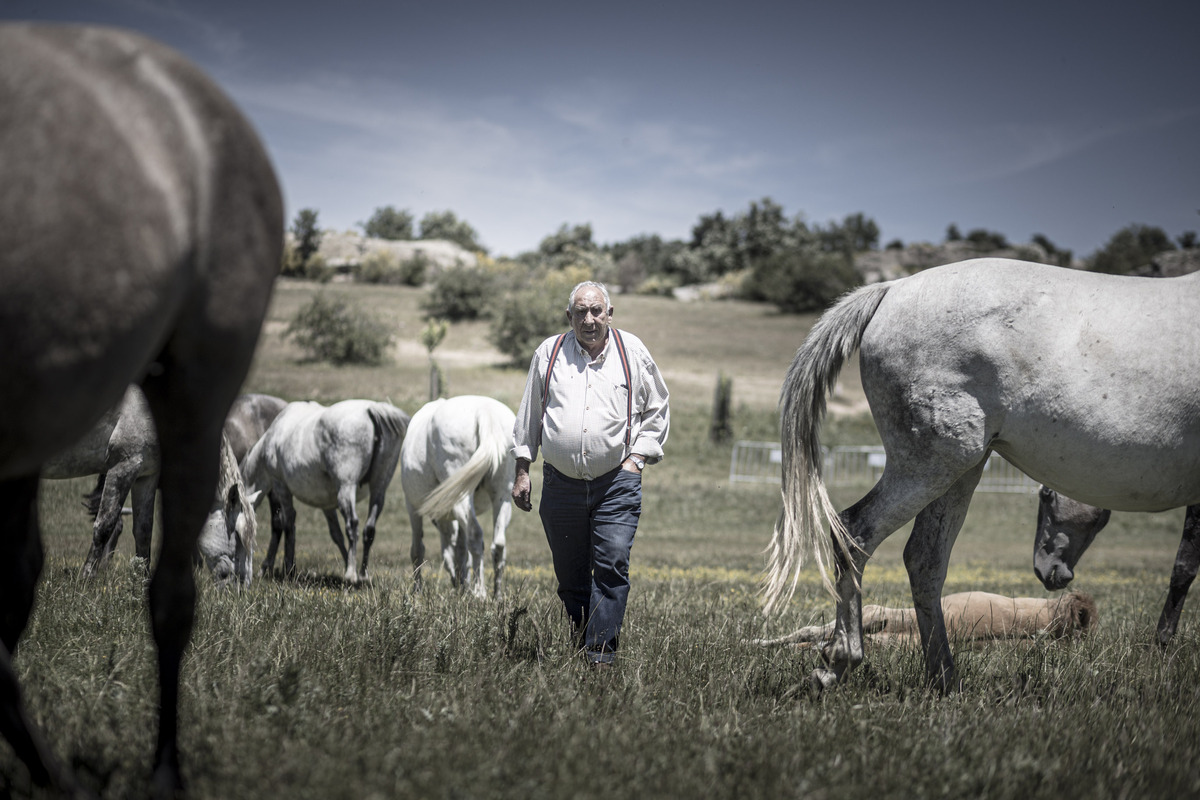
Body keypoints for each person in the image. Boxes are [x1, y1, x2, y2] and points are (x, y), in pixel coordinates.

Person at [512, 281, 670, 667]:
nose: (589, 319)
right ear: (569, 317)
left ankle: (601, 657)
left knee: (612, 563)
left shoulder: (632, 352)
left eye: (596, 310)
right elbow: (530, 414)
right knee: (570, 575)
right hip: (560, 484)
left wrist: (636, 461)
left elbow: (658, 410)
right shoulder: (548, 354)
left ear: (609, 314)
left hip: (616, 482)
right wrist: (522, 469)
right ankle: (581, 641)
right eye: (580, 312)